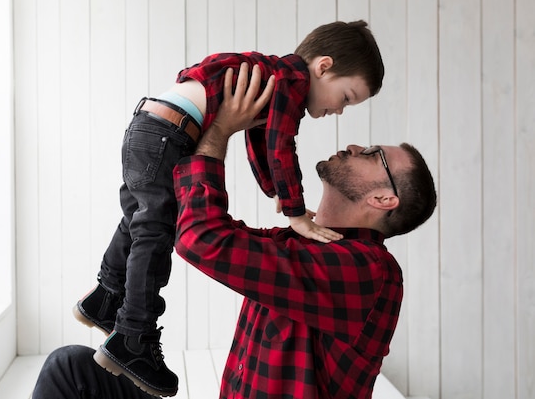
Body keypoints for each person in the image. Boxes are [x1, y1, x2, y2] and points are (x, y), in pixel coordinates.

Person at [35, 62, 437, 399]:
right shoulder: (297, 244)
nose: (354, 146)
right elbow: (188, 228)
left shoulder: (367, 270)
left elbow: (203, 239)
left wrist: (219, 129)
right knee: (71, 368)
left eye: (372, 155)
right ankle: (108, 300)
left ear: (384, 199)